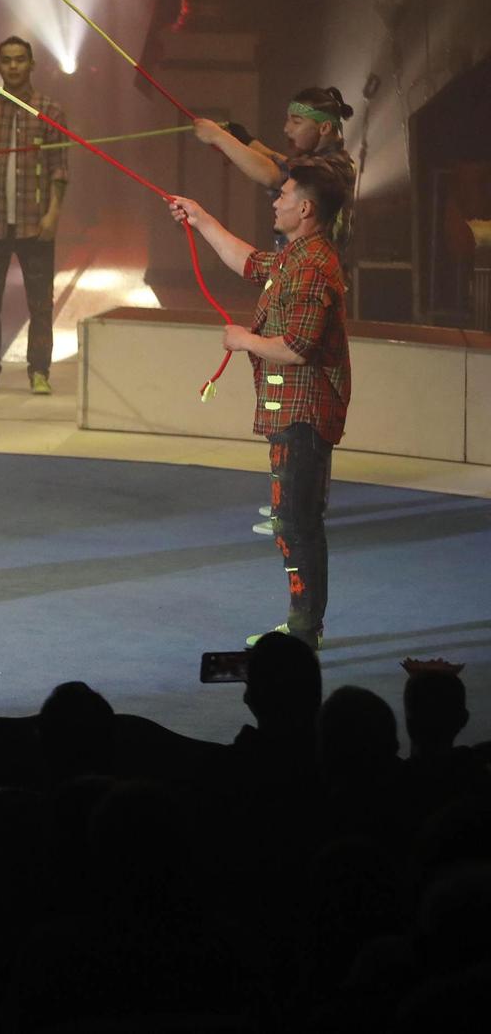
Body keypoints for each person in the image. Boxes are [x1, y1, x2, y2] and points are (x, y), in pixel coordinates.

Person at [168, 161, 352, 649]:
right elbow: (249, 261)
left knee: (296, 522)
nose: (275, 201)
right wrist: (200, 217)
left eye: (284, 195)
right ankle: (304, 625)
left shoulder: (312, 266)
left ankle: (302, 629)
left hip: (303, 412)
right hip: (291, 408)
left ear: (306, 208)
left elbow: (297, 347)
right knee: (295, 521)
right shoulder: (297, 255)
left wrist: (243, 339)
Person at [0, 36, 68, 394]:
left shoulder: (50, 111)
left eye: (20, 60)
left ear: (32, 64)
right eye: (7, 60)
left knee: (40, 303)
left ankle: (40, 372)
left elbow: (59, 170)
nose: (14, 66)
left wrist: (53, 214)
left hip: (34, 222)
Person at [192, 86, 357, 242]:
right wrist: (246, 140)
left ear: (325, 127)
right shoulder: (328, 161)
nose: (287, 128)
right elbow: (285, 163)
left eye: (296, 122)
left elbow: (272, 175)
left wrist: (219, 137)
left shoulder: (334, 167)